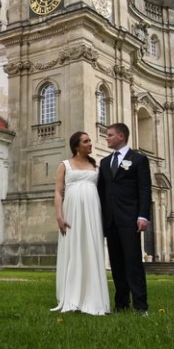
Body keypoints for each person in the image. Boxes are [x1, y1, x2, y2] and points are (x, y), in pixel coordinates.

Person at [51, 131, 111, 316]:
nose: (90, 144)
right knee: (74, 249)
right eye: (86, 141)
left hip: (93, 213)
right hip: (72, 213)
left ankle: (93, 296)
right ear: (76, 146)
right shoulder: (65, 165)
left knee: (90, 248)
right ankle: (72, 297)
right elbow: (58, 192)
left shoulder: (97, 167)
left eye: (90, 141)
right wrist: (59, 216)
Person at [97, 122, 152, 316]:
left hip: (130, 219)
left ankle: (141, 306)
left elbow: (144, 189)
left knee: (133, 262)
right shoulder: (104, 162)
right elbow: (101, 192)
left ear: (121, 136)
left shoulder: (138, 160)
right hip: (111, 221)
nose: (107, 137)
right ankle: (121, 304)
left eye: (110, 135)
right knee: (117, 264)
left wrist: (143, 215)